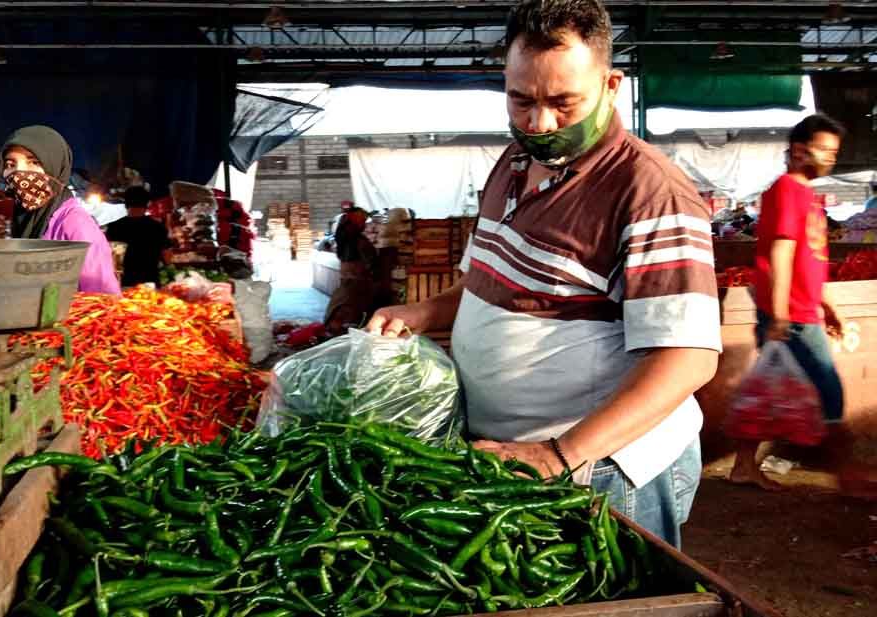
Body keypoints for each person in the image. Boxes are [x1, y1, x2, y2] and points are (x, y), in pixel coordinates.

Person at [367, 0, 721, 547]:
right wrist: (423, 312)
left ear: (611, 85)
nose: (540, 123)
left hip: (601, 469)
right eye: (521, 100)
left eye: (563, 102)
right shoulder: (510, 165)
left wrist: (560, 453)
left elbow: (688, 358)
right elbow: (486, 284)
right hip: (515, 456)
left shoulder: (649, 192)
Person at [729, 114, 846, 490]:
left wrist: (826, 305)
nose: (831, 158)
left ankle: (747, 464)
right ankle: (842, 469)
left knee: (772, 389)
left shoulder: (806, 195)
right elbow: (781, 253)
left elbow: (809, 258)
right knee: (828, 388)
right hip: (790, 314)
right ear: (799, 151)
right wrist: (779, 315)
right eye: (825, 150)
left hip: (800, 310)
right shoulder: (786, 190)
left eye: (834, 152)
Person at [1, 125, 120, 294]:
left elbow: (104, 301)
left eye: (33, 162)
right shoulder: (23, 219)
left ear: (56, 166)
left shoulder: (75, 223)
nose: (19, 172)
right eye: (10, 164)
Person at [105, 186, 172, 288]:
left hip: (125, 284)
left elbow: (116, 260)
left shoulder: (114, 227)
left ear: (126, 204)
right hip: (151, 284)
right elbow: (167, 258)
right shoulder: (158, 227)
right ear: (146, 204)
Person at [325, 207, 377, 334]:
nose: (364, 223)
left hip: (350, 277)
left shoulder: (345, 236)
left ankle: (336, 328)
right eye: (362, 220)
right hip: (355, 279)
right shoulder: (356, 240)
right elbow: (369, 260)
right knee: (348, 307)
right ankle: (339, 329)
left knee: (344, 304)